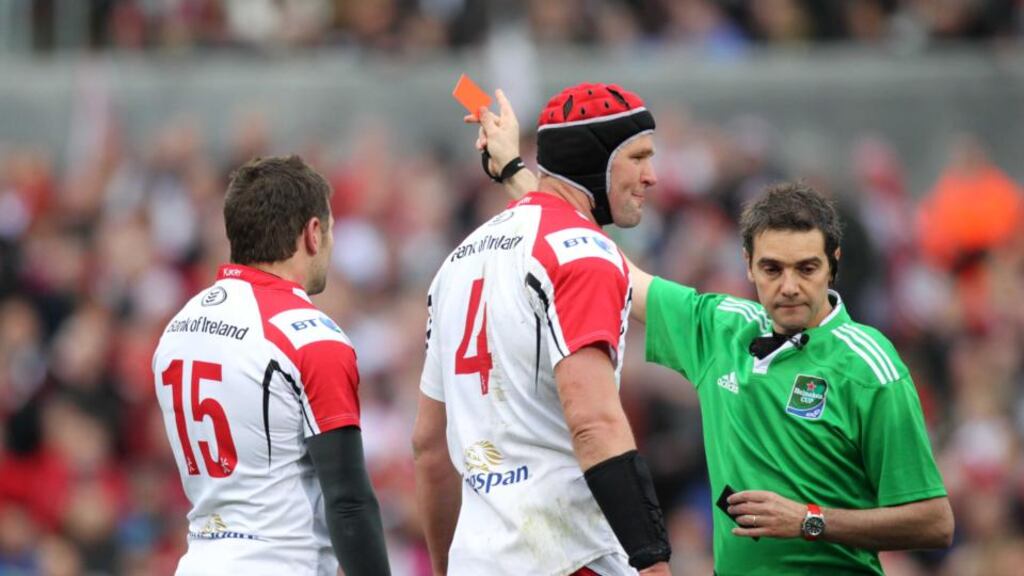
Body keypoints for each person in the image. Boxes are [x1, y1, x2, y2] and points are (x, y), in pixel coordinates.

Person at [476, 92, 954, 576]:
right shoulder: (722, 326)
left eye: (806, 268)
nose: (788, 286)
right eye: (772, 268)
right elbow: (598, 258)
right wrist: (515, 169)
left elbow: (933, 523)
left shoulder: (871, 365)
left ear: (834, 264)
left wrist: (809, 521)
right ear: (747, 265)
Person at [412, 83, 673, 576]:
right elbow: (595, 425)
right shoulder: (585, 252)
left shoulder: (456, 262)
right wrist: (655, 566)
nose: (652, 176)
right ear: (597, 160)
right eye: (638, 157)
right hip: (569, 555)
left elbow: (428, 446)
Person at [151, 156, 390, 576]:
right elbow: (349, 500)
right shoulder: (311, 336)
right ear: (313, 233)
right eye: (330, 229)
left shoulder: (178, 326)